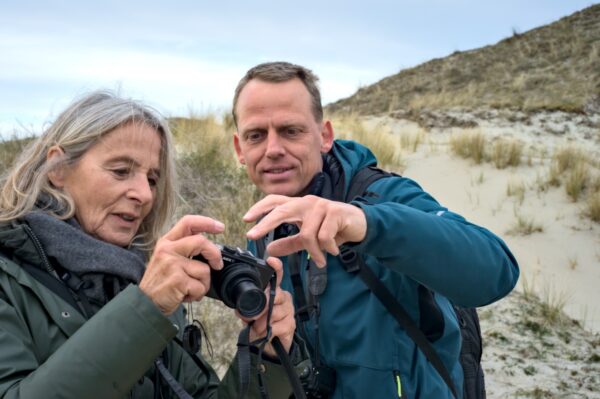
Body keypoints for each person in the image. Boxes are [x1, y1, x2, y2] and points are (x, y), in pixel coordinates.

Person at [231, 61, 520, 398]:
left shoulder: (384, 196)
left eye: (291, 131)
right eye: (256, 135)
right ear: (240, 150)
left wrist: (366, 224)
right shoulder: (265, 231)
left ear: (324, 136)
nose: (273, 149)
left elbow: (496, 271)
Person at [0, 91, 297, 398]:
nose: (144, 194)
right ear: (58, 168)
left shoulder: (141, 278)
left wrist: (265, 355)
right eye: (120, 171)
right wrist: (145, 310)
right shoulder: (8, 278)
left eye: (153, 179)